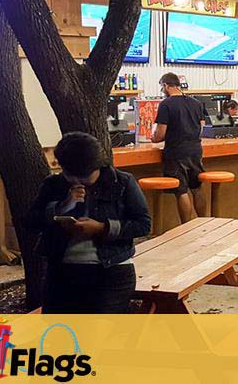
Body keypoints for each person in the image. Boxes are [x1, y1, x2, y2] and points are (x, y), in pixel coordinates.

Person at [27, 132, 151, 314]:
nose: (78, 182)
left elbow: (143, 224)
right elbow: (31, 222)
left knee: (100, 333)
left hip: (111, 269)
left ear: (98, 165)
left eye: (85, 177)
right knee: (61, 334)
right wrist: (62, 207)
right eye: (71, 176)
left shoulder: (122, 182)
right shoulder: (53, 185)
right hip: (62, 270)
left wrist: (102, 228)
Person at [152, 72, 207, 223]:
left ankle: (186, 227)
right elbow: (201, 127)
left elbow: (160, 134)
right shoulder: (196, 103)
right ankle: (204, 222)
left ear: (165, 86)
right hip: (196, 150)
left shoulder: (166, 104)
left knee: (181, 190)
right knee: (196, 188)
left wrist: (153, 138)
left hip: (176, 152)